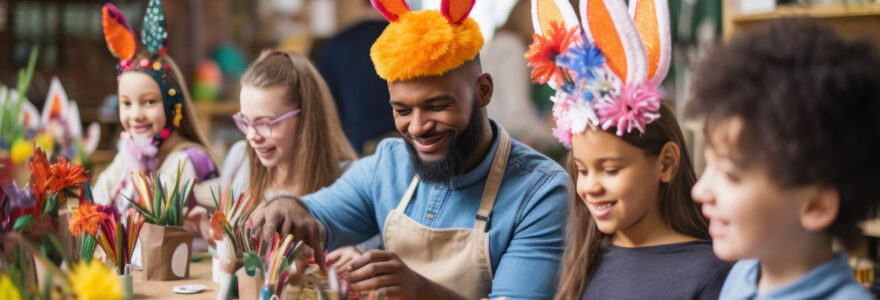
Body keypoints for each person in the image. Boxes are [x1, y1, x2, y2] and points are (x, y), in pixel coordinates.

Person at [250, 0, 569, 298]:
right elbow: (314, 215)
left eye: (438, 105)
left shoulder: (540, 192)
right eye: (402, 111)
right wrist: (288, 208)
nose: (417, 127)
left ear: (483, 91)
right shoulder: (388, 165)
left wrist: (421, 291)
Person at [526, 0, 729, 299]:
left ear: (666, 163)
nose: (590, 186)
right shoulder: (583, 261)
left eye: (610, 170)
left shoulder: (711, 272)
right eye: (582, 170)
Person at [689, 18, 880, 299]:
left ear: (815, 205)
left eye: (731, 175)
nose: (699, 190)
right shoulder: (741, 276)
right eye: (708, 165)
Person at [220, 49, 369, 261]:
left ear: (306, 118)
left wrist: (357, 254)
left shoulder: (352, 179)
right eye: (244, 121)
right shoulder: (239, 159)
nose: (251, 136)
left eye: (265, 123)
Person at [94, 1, 217, 236]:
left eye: (149, 102)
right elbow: (99, 200)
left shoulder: (186, 160)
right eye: (126, 104)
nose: (136, 114)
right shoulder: (128, 155)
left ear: (172, 106)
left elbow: (153, 224)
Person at [315, 0, 395, 154]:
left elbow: (324, 108)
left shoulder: (335, 46)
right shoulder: (409, 44)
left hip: (353, 152)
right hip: (406, 150)